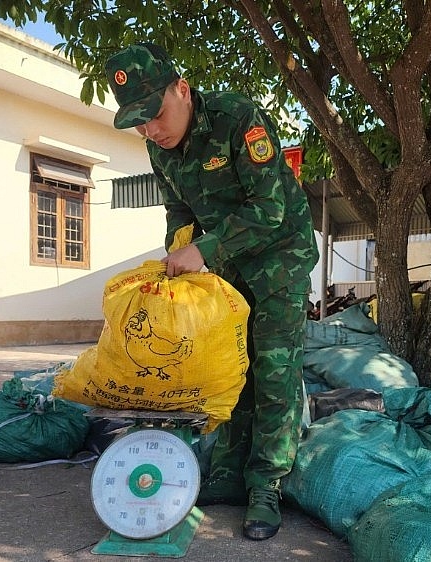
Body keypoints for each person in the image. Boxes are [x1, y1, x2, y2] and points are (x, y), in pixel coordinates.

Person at [105, 43, 318, 541]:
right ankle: (228, 470)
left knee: (273, 370)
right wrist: (179, 256)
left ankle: (267, 483)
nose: (151, 130)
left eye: (154, 114)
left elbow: (271, 208)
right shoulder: (158, 148)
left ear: (182, 89)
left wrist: (204, 251)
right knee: (229, 367)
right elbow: (179, 211)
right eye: (138, 122)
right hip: (223, 267)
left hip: (277, 260)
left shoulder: (235, 118)